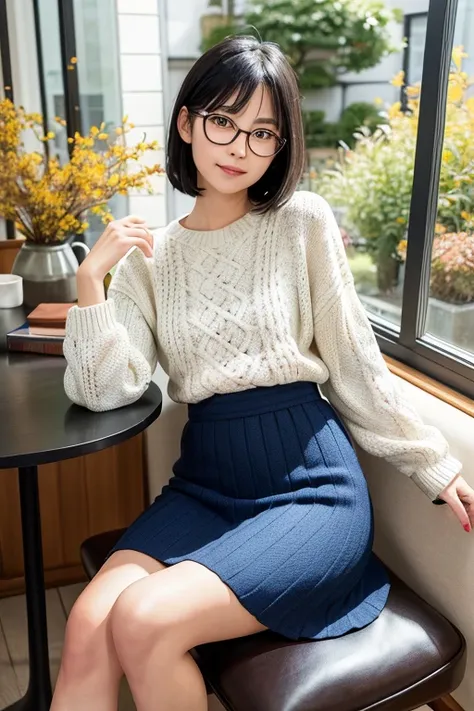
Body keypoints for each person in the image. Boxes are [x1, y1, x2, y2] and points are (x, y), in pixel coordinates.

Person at [54, 35, 473, 711]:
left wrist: (436, 465)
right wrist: (89, 284)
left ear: (280, 147)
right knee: (87, 626)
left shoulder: (300, 223)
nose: (239, 145)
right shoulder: (147, 260)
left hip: (309, 491)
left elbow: (355, 366)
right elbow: (108, 391)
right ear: (187, 122)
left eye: (263, 132)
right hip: (206, 485)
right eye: (223, 120)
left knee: (142, 619)